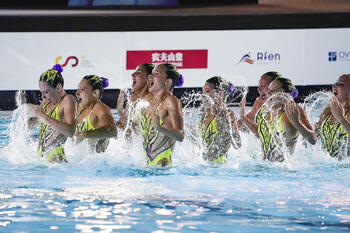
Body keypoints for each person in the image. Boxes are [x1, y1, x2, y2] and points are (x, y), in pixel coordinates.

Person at [240, 77, 317, 162]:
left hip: (281, 169)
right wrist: (244, 118)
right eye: (269, 89)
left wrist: (297, 123)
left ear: (286, 94)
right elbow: (263, 135)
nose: (268, 93)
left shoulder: (289, 114)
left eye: (274, 90)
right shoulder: (269, 111)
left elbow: (313, 140)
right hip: (266, 166)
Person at [27, 64, 76, 162]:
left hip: (56, 156)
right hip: (43, 155)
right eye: (41, 92)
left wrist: (43, 115)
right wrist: (27, 111)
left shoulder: (67, 100)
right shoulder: (46, 102)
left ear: (58, 87)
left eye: (46, 92)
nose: (43, 96)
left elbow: (70, 131)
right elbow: (31, 126)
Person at [140, 63, 184, 167]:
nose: (150, 76)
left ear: (167, 82)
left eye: (156, 73)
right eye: (151, 73)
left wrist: (160, 128)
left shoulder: (171, 101)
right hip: (149, 163)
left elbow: (180, 136)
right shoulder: (149, 100)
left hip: (162, 162)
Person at [199, 76, 241, 164]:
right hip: (205, 165)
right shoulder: (205, 114)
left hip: (219, 166)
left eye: (207, 91)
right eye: (203, 92)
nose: (203, 96)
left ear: (220, 93)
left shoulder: (228, 114)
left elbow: (238, 144)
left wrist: (226, 123)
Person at [75, 75, 117, 153]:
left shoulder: (100, 108)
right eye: (78, 89)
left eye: (82, 89)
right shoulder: (80, 108)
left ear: (95, 93)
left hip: (99, 161)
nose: (77, 93)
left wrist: (85, 134)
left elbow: (112, 131)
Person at [315, 74, 350, 160]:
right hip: (328, 165)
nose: (335, 85)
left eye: (341, 84)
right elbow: (313, 138)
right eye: (336, 83)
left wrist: (342, 119)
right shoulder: (328, 110)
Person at [116, 63, 154, 131]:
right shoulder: (134, 97)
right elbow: (122, 124)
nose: (133, 74)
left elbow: (147, 130)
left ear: (149, 78)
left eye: (139, 72)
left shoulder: (153, 99)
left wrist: (120, 113)